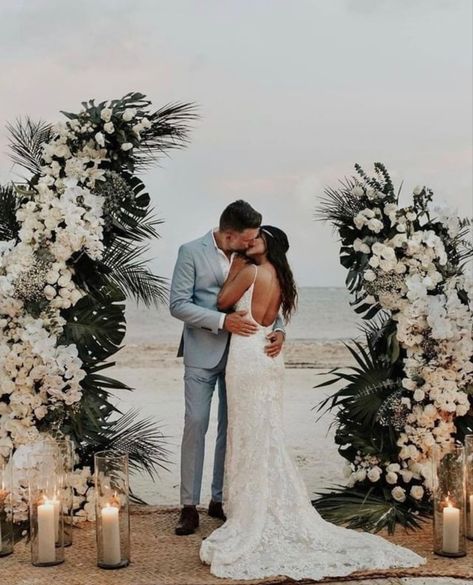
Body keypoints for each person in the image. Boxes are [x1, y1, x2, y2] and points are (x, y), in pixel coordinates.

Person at [200, 225, 425, 580]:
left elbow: (223, 303)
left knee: (247, 432)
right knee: (265, 431)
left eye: (256, 239)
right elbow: (274, 318)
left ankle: (250, 509)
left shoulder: (251, 270)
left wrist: (235, 264)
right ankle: (258, 501)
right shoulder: (281, 276)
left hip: (247, 357)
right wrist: (282, 333)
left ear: (268, 245)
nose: (249, 242)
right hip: (270, 358)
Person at [169, 201, 285, 536]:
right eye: (247, 239)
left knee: (231, 427)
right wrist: (222, 321)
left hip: (243, 355)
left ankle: (219, 499)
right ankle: (188, 506)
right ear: (229, 234)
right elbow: (178, 304)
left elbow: (265, 294)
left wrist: (280, 330)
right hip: (202, 352)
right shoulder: (190, 251)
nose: (252, 243)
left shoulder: (249, 256)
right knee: (196, 422)